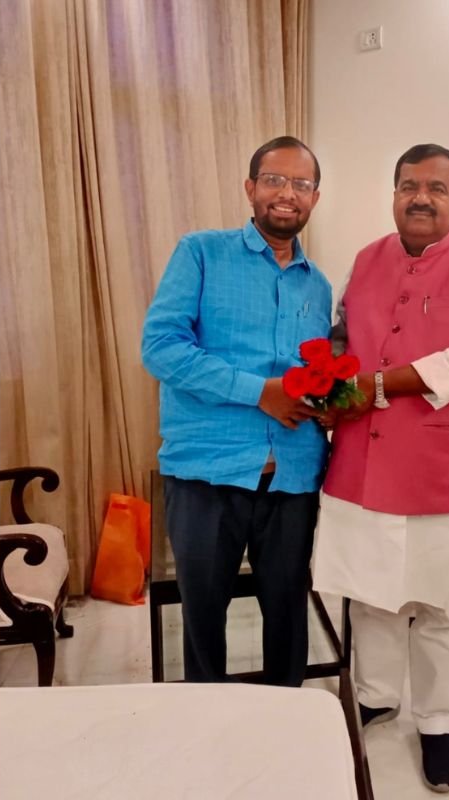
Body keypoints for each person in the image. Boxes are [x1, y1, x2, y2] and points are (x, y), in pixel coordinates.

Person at [313, 143, 449, 792]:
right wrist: (328, 381)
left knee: (442, 606)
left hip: (442, 466)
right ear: (394, 193)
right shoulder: (366, 258)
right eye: (408, 186)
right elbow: (343, 336)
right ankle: (376, 695)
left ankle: (435, 722)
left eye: (435, 187)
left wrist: (377, 385)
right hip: (363, 461)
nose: (420, 197)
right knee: (372, 594)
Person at [142, 136, 332, 686]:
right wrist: (258, 392)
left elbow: (317, 370)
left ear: (315, 198)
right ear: (250, 188)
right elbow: (161, 348)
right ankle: (208, 721)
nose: (287, 193)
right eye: (274, 180)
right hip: (206, 473)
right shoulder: (201, 253)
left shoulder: (318, 286)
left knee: (288, 614)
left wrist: (331, 403)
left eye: (301, 184)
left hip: (292, 478)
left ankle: (288, 712)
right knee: (203, 618)